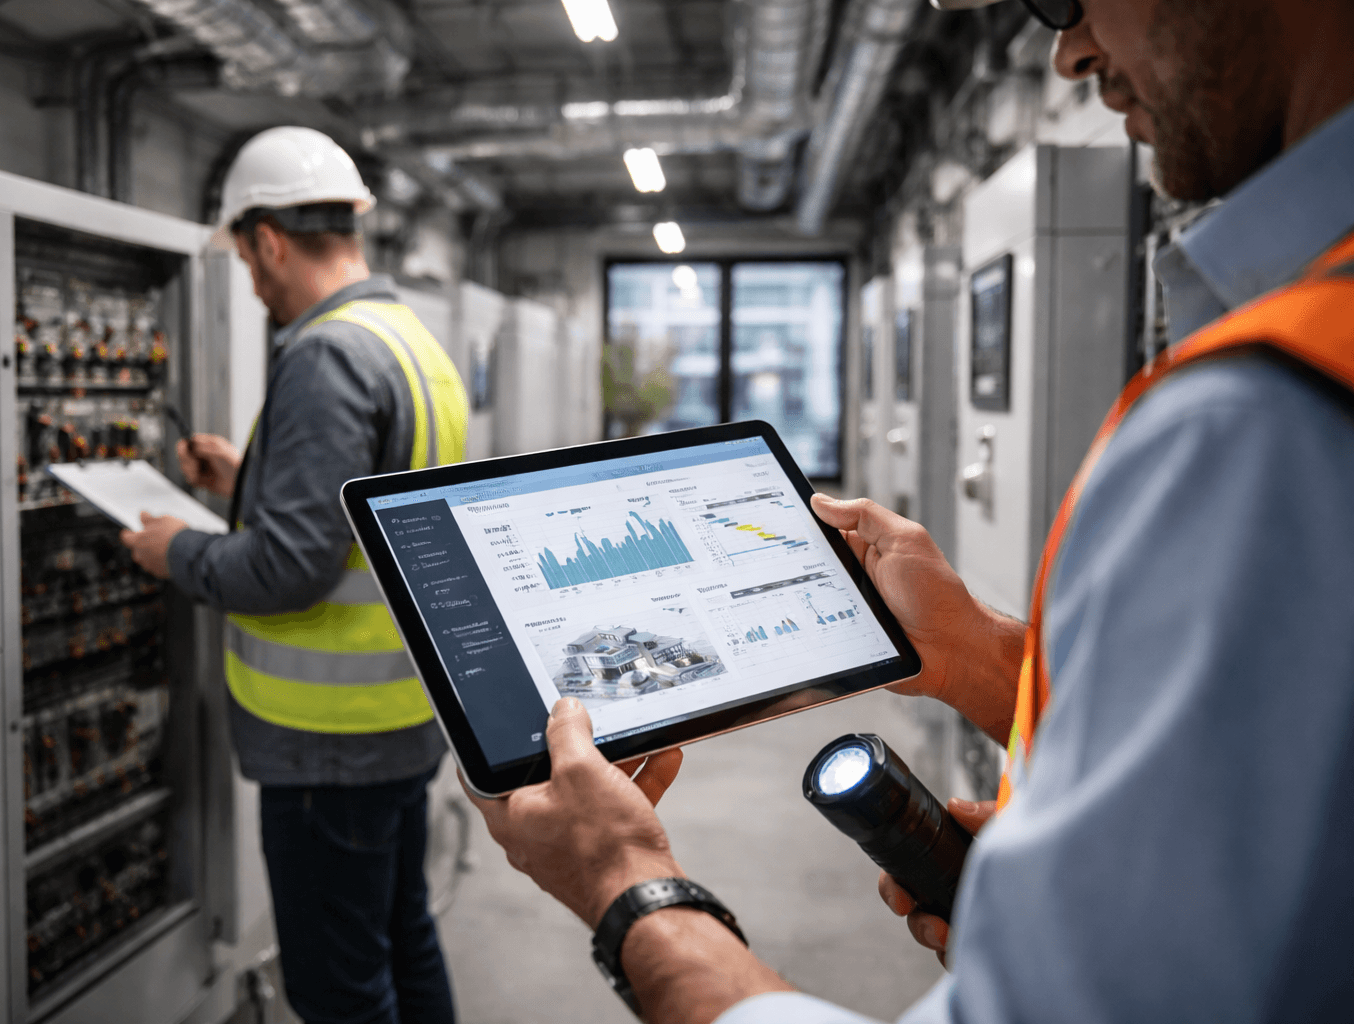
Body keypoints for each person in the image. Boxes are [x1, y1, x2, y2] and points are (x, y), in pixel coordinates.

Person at [467, 0, 1354, 1021]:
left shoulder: (1265, 427)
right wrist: (979, 655)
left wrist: (627, 883)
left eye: (1065, 1)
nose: (1068, 52)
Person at [120, 126, 467, 1024]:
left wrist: (178, 553)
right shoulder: (408, 342)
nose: (255, 285)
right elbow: (368, 511)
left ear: (268, 239)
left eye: (247, 263)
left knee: (339, 991)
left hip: (327, 744)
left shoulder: (324, 355)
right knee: (402, 939)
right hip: (403, 718)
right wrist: (251, 480)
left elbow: (288, 569)